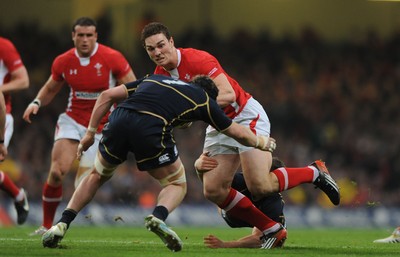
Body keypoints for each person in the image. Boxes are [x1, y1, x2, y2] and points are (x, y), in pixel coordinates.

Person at [140, 22, 340, 248]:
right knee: (213, 189)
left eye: (161, 45)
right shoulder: (160, 75)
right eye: (150, 49)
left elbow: (227, 94)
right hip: (218, 124)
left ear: (172, 42)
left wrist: (193, 109)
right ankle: (272, 229)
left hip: (244, 114)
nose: (157, 52)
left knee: (260, 186)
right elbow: (181, 117)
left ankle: (314, 172)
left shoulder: (199, 59)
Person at [40, 74, 277, 252]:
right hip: (150, 127)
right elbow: (236, 131)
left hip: (118, 119)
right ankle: (158, 217)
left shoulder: (154, 78)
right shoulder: (205, 101)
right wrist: (262, 142)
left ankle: (61, 224)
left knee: (96, 175)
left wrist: (90, 133)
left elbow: (107, 96)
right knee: (176, 183)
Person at [22, 17, 136, 235]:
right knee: (56, 172)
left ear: (96, 36)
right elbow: (50, 88)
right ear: (73, 36)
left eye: (89, 35)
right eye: (80, 35)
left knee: (84, 184)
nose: (84, 40)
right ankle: (46, 226)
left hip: (103, 126)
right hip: (72, 121)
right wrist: (36, 102)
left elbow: (134, 88)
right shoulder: (63, 61)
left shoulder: (112, 58)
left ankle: (64, 223)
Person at [198, 155, 287, 248]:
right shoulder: (240, 180)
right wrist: (199, 169)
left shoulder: (274, 203)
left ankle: (280, 227)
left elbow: (259, 239)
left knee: (274, 237)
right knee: (219, 192)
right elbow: (211, 186)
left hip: (260, 217)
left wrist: (225, 245)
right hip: (232, 215)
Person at [0, 37, 30, 225]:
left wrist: (1, 141)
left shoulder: (3, 46)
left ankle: (18, 196)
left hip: (2, 116)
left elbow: (23, 80)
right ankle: (18, 196)